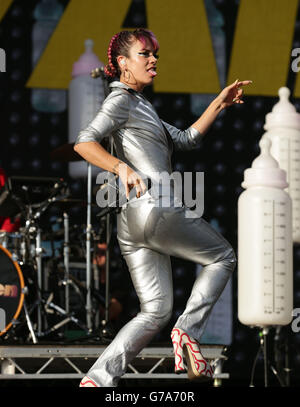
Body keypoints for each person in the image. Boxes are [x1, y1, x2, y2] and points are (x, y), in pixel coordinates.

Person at [74, 28, 251, 387]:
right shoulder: (121, 101)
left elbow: (187, 139)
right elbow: (84, 143)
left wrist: (219, 101)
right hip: (156, 207)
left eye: (155, 54)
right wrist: (120, 167)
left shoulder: (141, 106)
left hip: (132, 223)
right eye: (145, 54)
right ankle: (187, 332)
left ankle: (98, 379)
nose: (153, 59)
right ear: (122, 63)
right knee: (223, 257)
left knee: (155, 311)